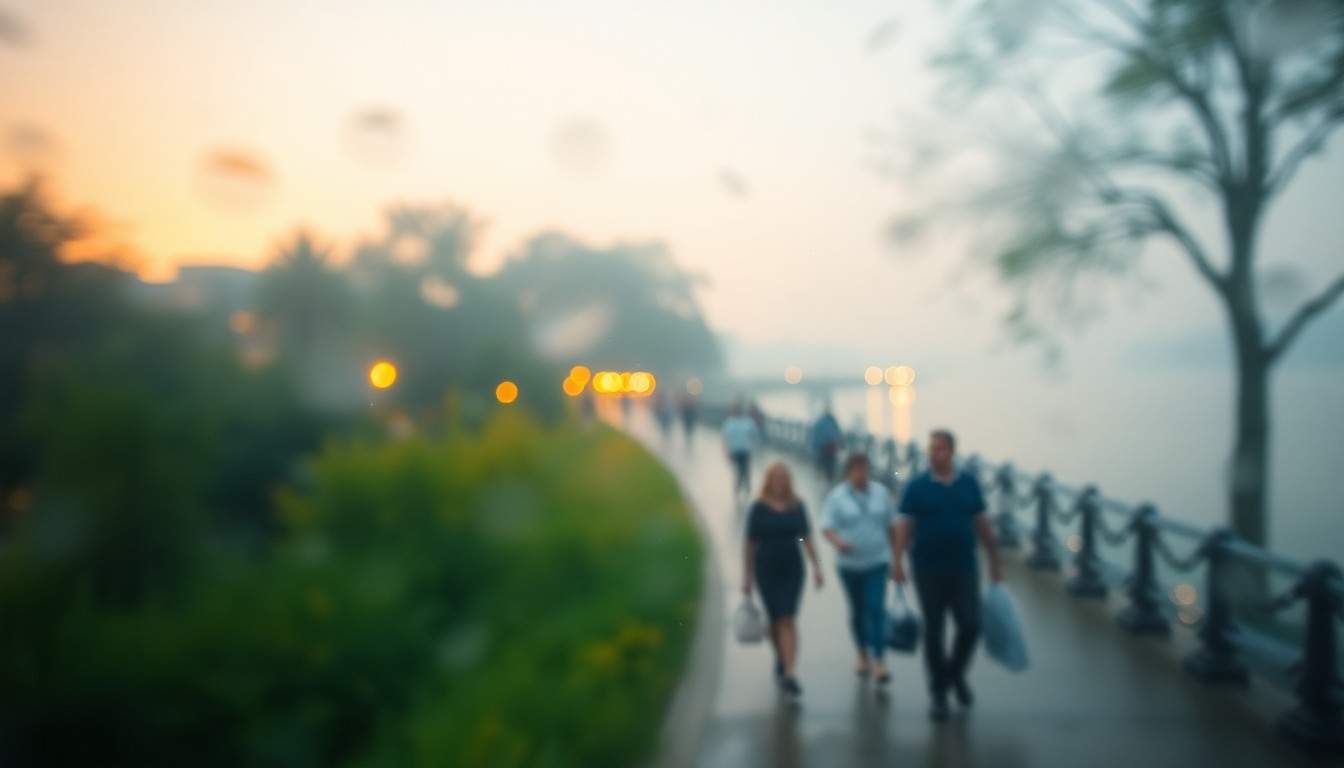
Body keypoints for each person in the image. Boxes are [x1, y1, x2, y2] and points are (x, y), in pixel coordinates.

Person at [892, 428, 1003, 721]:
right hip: (927, 568)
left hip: (964, 567)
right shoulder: (916, 486)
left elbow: (982, 523)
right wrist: (897, 560)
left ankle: (954, 674)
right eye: (930, 449)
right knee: (934, 629)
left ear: (952, 451)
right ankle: (938, 693)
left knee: (970, 625)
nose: (933, 454)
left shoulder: (969, 484)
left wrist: (995, 560)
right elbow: (904, 524)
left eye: (939, 449)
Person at [743, 463, 824, 698]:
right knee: (774, 621)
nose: (779, 482)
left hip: (792, 569)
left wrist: (817, 569)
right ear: (768, 480)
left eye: (783, 478)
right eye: (775, 478)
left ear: (788, 481)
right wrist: (746, 576)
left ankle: (790, 673)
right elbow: (749, 544)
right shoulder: (758, 509)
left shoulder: (797, 506)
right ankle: (781, 656)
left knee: (788, 616)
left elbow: (806, 538)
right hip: (765, 569)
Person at [820, 452, 898, 684]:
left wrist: (897, 557)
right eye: (854, 470)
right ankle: (862, 652)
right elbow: (826, 526)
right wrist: (837, 543)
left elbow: (891, 525)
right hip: (850, 565)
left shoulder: (881, 494)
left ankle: (879, 659)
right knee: (857, 610)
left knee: (875, 607)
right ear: (847, 473)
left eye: (863, 469)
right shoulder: (837, 497)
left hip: (877, 561)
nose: (860, 474)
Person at [720, 403, 760, 499]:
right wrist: (726, 451)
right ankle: (738, 487)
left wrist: (753, 445)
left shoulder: (747, 422)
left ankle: (746, 488)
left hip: (745, 450)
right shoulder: (729, 422)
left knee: (745, 469)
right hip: (735, 451)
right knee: (738, 470)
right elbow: (725, 438)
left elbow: (754, 433)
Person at [811, 405, 842, 483]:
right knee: (828, 464)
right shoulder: (828, 421)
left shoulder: (829, 421)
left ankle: (830, 479)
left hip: (830, 447)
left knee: (830, 464)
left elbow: (837, 432)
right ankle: (829, 479)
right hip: (826, 448)